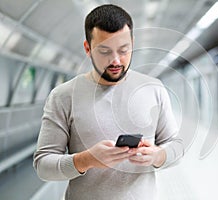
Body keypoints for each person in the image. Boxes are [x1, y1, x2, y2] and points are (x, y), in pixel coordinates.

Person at [33, 4, 184, 200]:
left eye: (123, 50)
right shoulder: (63, 96)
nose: (116, 61)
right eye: (104, 51)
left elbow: (176, 147)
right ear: (88, 48)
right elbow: (43, 165)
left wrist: (158, 156)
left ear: (132, 43)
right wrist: (86, 160)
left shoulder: (153, 88)